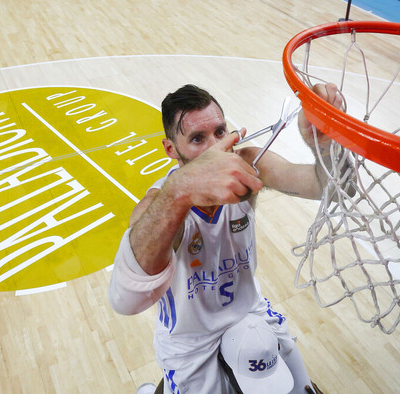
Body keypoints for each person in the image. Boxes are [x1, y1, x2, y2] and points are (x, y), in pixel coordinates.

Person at [108, 83, 342, 394]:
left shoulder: (248, 165)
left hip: (249, 312)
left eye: (220, 132)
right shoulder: (160, 204)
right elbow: (124, 296)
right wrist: (181, 190)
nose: (215, 147)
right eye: (197, 139)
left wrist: (325, 145)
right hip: (189, 338)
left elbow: (335, 187)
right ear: (170, 149)